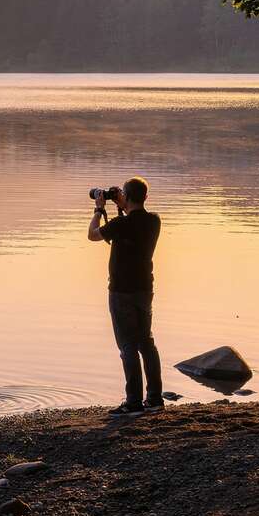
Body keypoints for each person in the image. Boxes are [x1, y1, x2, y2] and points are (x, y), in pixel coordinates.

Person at [88, 176, 163, 416]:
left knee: (127, 345)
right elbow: (133, 226)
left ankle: (133, 402)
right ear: (146, 197)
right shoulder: (154, 221)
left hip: (121, 291)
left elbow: (93, 235)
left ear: (127, 197)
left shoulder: (120, 225)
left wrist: (99, 209)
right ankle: (155, 399)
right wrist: (123, 207)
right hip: (145, 289)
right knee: (146, 343)